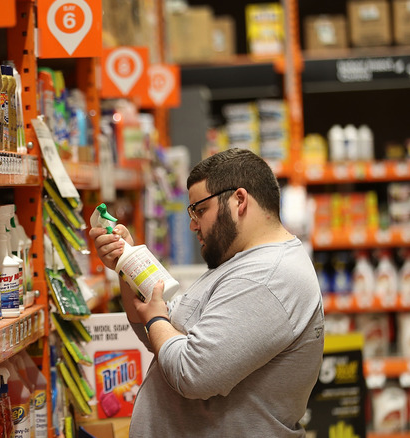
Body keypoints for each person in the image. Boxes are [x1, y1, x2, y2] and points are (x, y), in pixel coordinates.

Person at [90, 148, 325, 437]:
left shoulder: (266, 277)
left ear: (239, 200)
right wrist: (127, 262)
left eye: (200, 210)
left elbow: (191, 372)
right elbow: (160, 332)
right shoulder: (241, 262)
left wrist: (156, 320)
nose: (192, 225)